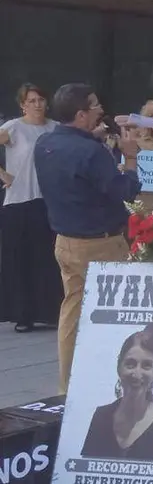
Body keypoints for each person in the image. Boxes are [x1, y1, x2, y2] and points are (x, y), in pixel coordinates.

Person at [34, 84, 142, 395]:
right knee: (119, 313)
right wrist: (131, 159)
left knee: (72, 312)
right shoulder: (91, 153)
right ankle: (117, 384)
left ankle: (67, 386)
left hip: (65, 240)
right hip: (101, 243)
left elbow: (76, 168)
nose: (100, 110)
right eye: (94, 105)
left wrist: (93, 142)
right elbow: (125, 192)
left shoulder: (46, 143)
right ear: (81, 114)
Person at [0, 84, 61, 333]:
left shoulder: (55, 128)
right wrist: (4, 175)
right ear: (23, 104)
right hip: (19, 200)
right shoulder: (13, 127)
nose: (37, 104)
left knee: (48, 257)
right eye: (31, 100)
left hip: (49, 200)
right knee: (20, 258)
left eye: (40, 99)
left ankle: (49, 312)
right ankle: (22, 314)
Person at [81, 321, 153, 463]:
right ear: (119, 367)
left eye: (146, 366)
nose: (137, 374)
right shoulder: (101, 416)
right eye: (130, 364)